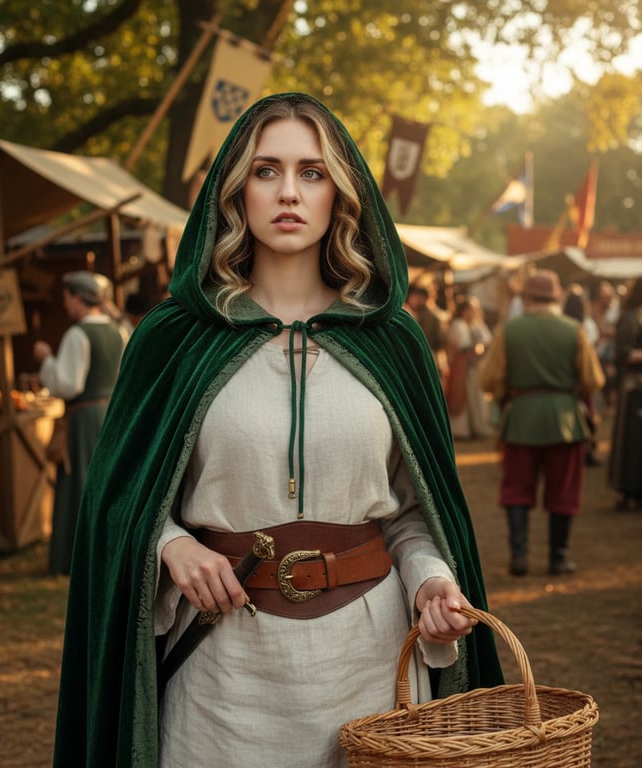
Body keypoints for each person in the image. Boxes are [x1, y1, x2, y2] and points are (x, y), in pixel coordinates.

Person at [52, 93, 502, 768]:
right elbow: (120, 502)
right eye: (266, 171)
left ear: (340, 192)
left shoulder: (393, 341)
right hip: (224, 677)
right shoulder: (174, 340)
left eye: (312, 172)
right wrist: (173, 546)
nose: (288, 192)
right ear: (234, 191)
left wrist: (433, 578)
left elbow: (412, 513)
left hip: (369, 666)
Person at [478, 270, 605, 577]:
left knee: (516, 490)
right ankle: (557, 559)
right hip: (566, 420)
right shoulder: (573, 330)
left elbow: (488, 378)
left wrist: (511, 390)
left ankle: (519, 558)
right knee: (563, 490)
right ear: (557, 297)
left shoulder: (509, 331)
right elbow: (593, 379)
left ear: (526, 297)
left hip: (521, 418)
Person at [33, 271, 127, 575]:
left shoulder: (78, 334)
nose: (64, 305)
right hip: (111, 415)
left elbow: (68, 384)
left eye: (66, 298)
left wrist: (47, 360)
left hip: (85, 419)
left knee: (82, 484)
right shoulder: (118, 331)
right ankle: (107, 552)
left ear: (77, 298)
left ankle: (79, 559)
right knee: (106, 483)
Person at [608, 277, 642, 510]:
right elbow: (623, 355)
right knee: (631, 443)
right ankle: (630, 491)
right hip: (634, 387)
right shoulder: (630, 319)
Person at [563, 284, 601, 466]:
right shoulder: (585, 326)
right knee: (587, 415)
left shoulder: (564, 325)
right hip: (582, 379)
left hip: (567, 380)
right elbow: (591, 353)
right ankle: (586, 451)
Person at [444, 295, 492, 440]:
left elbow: (487, 341)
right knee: (462, 396)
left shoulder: (477, 325)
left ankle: (478, 427)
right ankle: (462, 430)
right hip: (462, 366)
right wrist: (475, 349)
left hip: (473, 367)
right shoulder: (459, 324)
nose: (470, 313)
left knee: (475, 396)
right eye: (468, 310)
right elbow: (463, 346)